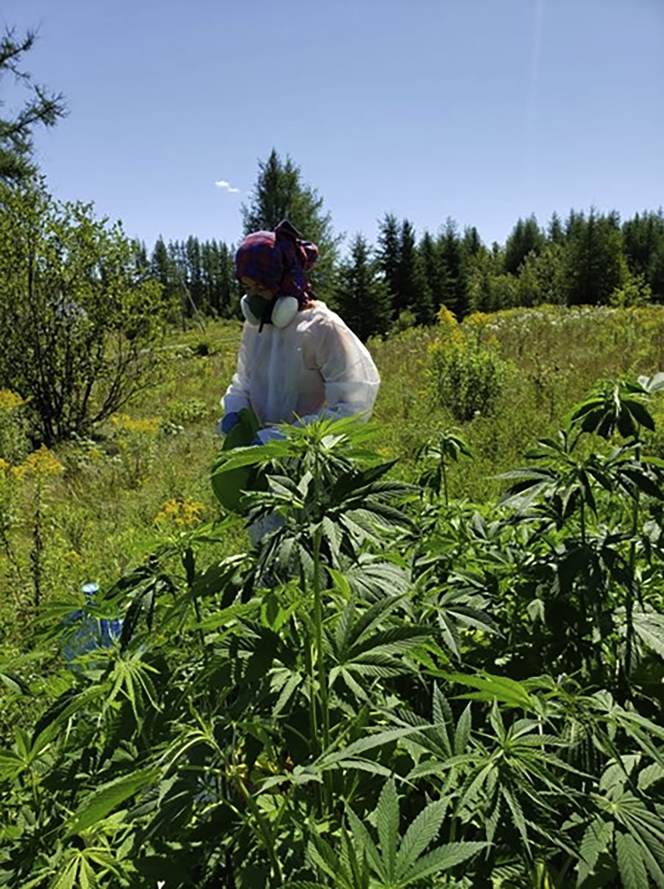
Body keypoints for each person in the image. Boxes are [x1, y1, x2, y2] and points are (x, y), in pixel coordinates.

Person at [219, 220, 380, 445]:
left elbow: (352, 401)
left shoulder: (321, 326)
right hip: (260, 452)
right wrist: (234, 411)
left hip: (312, 457)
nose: (252, 298)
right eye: (247, 288)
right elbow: (244, 381)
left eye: (262, 288)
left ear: (285, 283)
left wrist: (285, 440)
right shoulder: (255, 327)